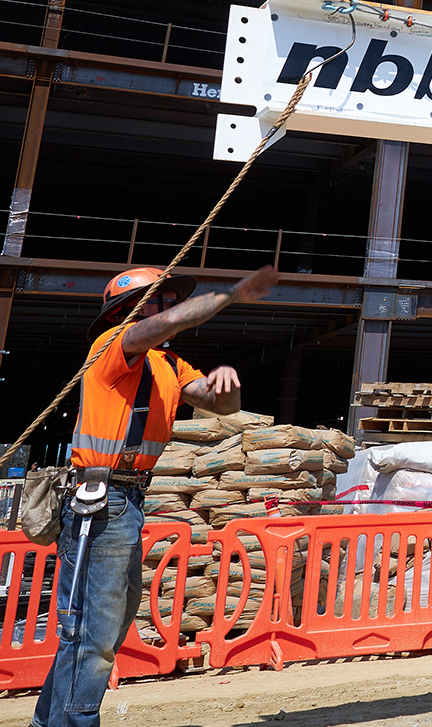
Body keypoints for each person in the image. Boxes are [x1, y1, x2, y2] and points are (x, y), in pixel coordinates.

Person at [32, 262, 280, 727]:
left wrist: (228, 386)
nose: (171, 306)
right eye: (160, 299)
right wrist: (233, 294)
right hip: (100, 505)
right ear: (131, 311)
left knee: (100, 628)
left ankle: (51, 722)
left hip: (125, 503)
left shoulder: (168, 365)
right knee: (92, 633)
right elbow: (167, 323)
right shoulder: (110, 346)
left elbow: (221, 405)